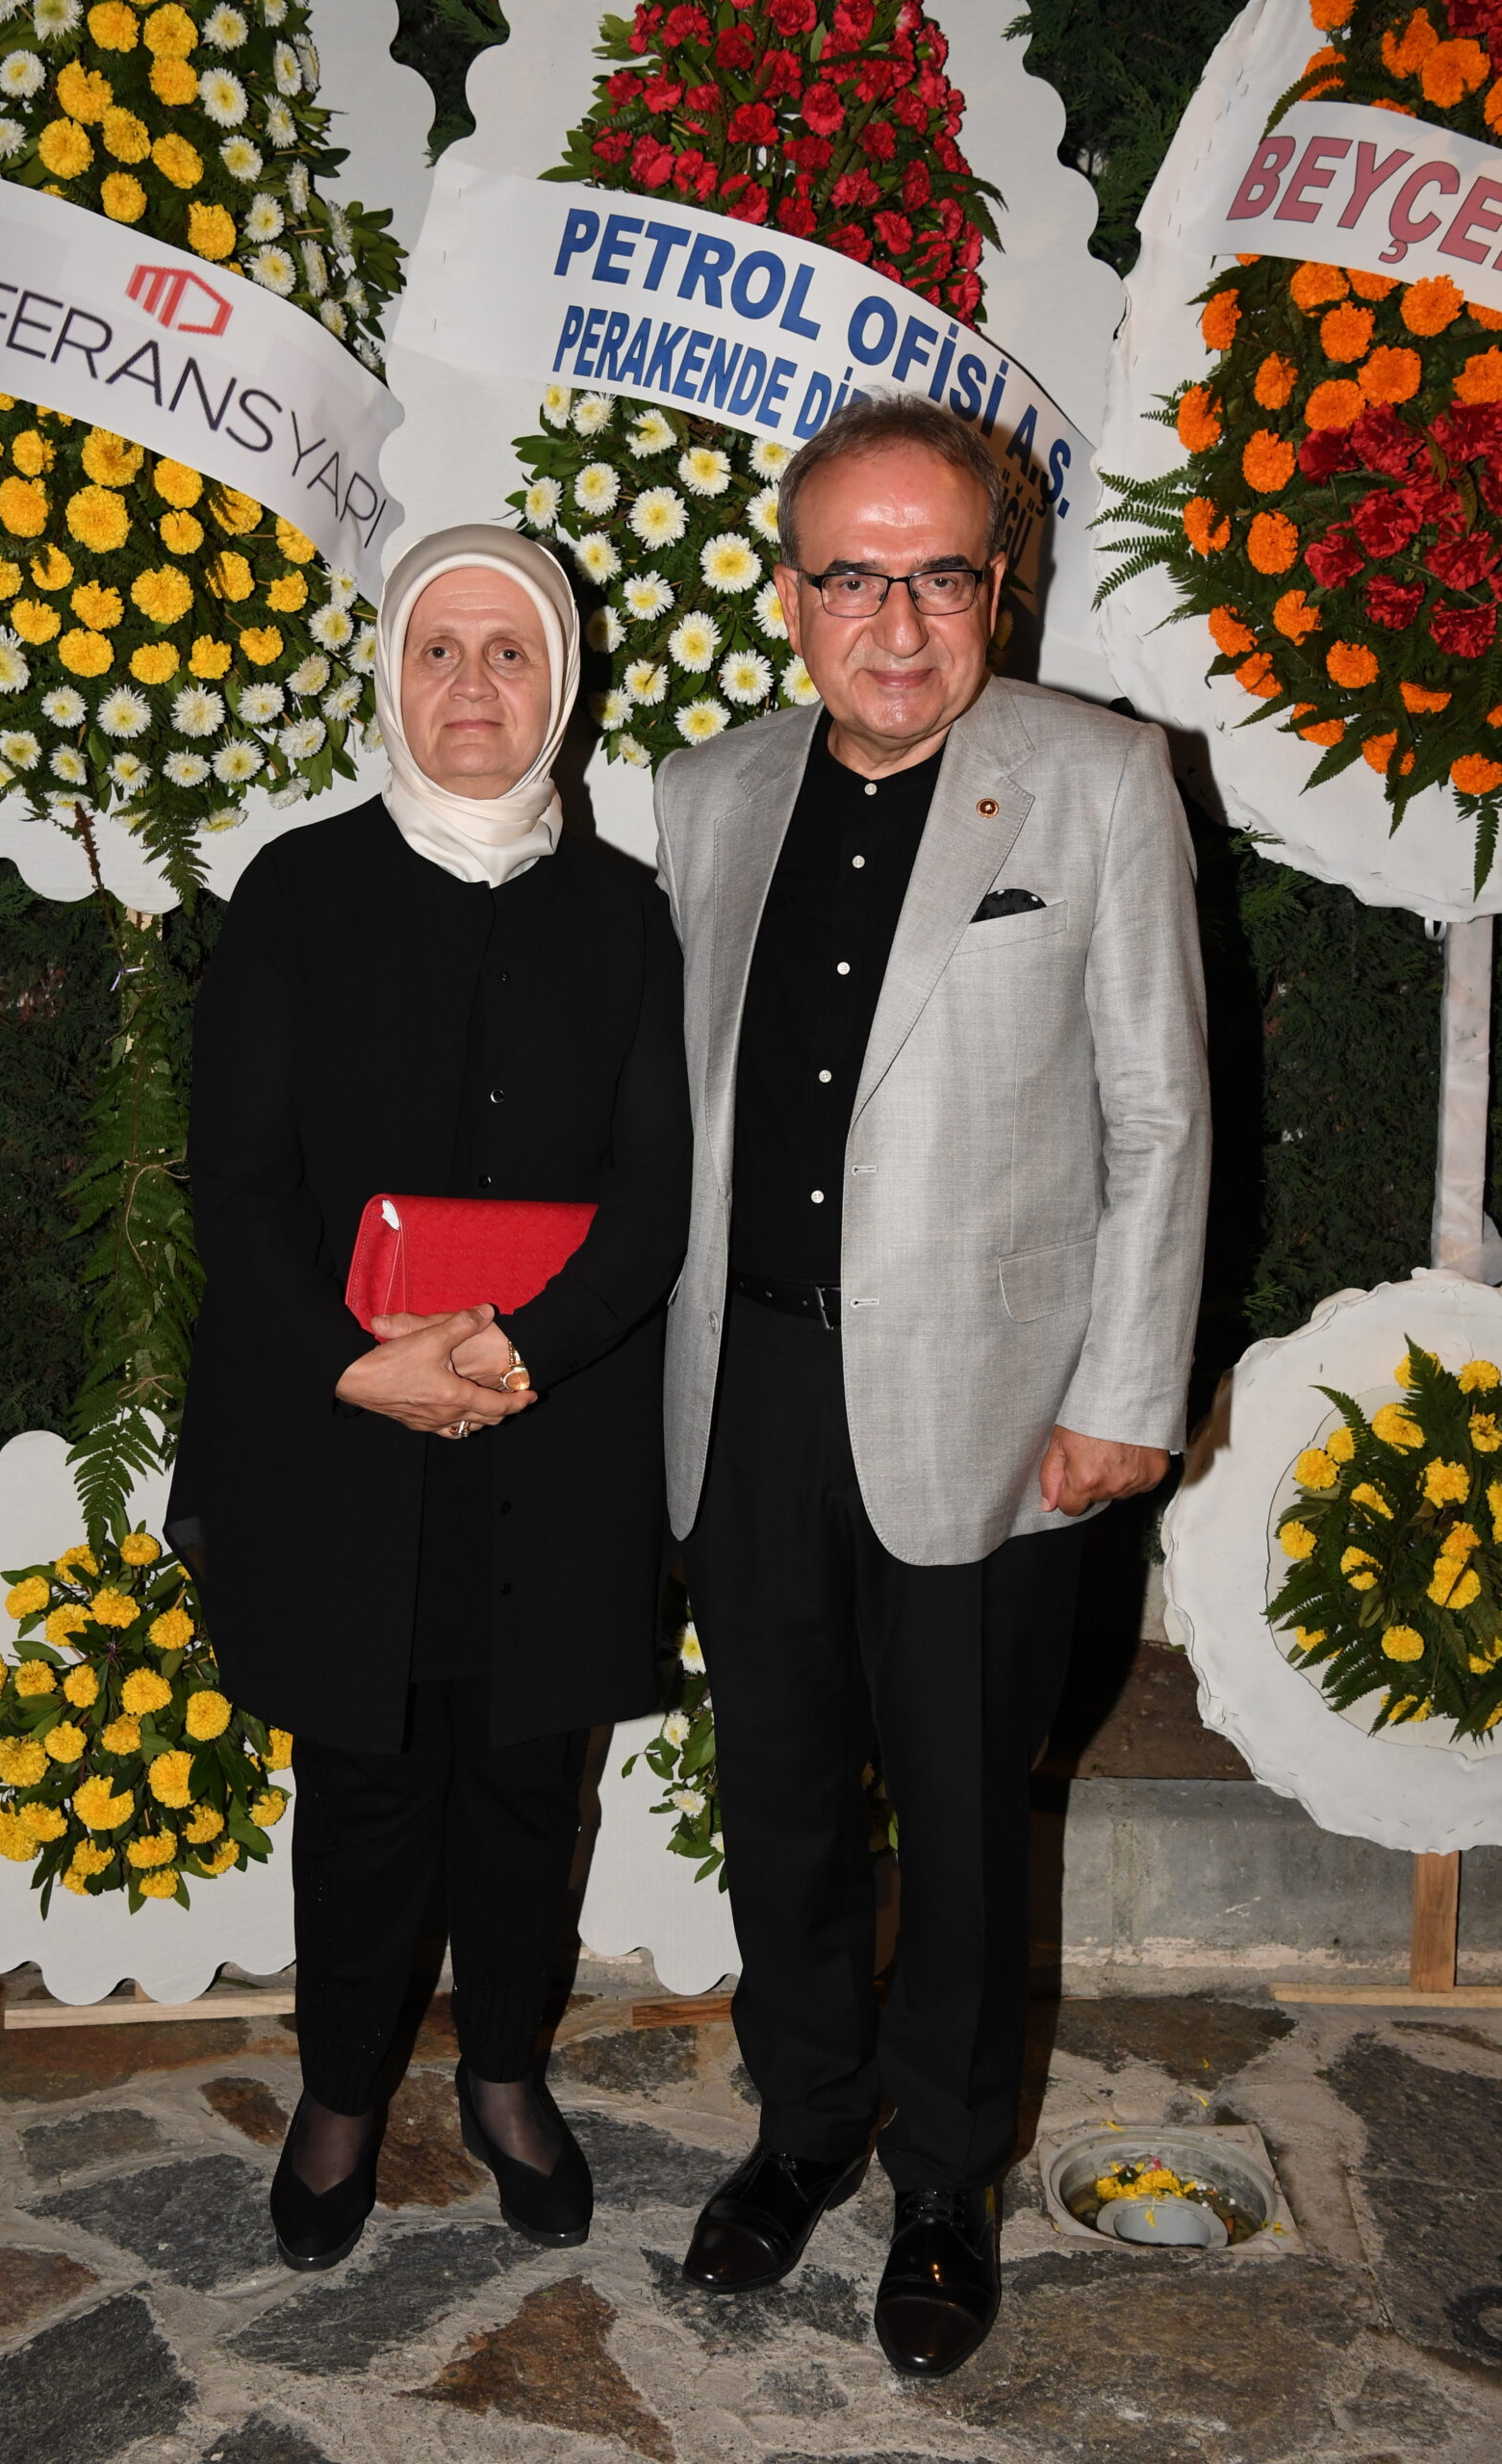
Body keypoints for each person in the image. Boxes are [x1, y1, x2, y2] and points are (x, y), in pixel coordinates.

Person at [654, 397, 1209, 2374]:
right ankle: (806, 2120)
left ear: (999, 583)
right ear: (790, 590)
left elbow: (1160, 1116)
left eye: (939, 576)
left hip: (996, 1409)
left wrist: (1125, 1391)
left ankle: (948, 2178)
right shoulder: (704, 792)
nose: (895, 621)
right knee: (780, 1795)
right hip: (747, 1396)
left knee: (967, 1820)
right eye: (853, 577)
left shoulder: (1097, 780)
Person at [167, 523, 691, 2271]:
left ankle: (509, 2075)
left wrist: (530, 1351)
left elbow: (656, 1191)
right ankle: (339, 2093)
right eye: (441, 650)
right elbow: (238, 1183)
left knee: (532, 1785)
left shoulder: (625, 915)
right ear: (392, 678)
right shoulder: (297, 893)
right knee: (368, 1785)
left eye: (511, 650)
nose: (475, 684)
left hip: (563, 1426)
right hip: (346, 1431)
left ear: (562, 685)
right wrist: (353, 1361)